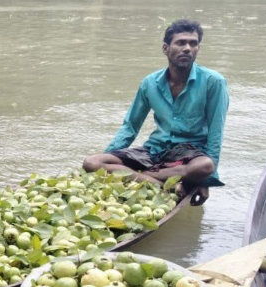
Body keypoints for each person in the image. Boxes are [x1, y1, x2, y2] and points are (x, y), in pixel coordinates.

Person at [82, 19, 229, 206]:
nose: (187, 48)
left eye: (193, 43)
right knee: (91, 163)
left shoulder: (213, 82)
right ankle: (163, 184)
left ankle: (144, 177)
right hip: (154, 150)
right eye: (181, 42)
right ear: (166, 48)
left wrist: (206, 179)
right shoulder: (150, 83)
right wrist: (108, 162)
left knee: (205, 165)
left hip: (188, 155)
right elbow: (130, 127)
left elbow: (216, 133)